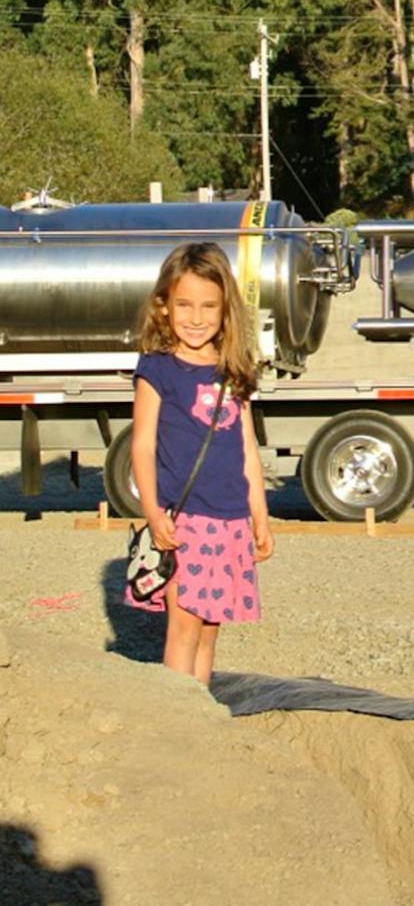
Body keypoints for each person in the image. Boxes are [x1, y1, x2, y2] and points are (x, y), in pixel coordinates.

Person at [124, 242, 274, 683]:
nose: (196, 317)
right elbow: (142, 446)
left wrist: (259, 516)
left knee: (209, 631)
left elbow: (247, 448)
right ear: (163, 306)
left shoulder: (234, 370)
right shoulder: (157, 369)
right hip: (184, 520)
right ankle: (176, 725)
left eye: (208, 306)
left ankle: (202, 720)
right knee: (184, 627)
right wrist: (151, 512)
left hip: (230, 520)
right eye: (184, 304)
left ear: (226, 309)